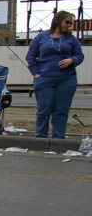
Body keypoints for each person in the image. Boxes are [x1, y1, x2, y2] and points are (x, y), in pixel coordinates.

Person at [26, 11, 84, 139]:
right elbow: (30, 56)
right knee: (44, 110)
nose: (68, 25)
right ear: (58, 20)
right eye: (67, 22)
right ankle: (40, 138)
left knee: (61, 111)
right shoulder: (41, 37)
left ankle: (58, 139)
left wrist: (72, 60)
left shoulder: (71, 39)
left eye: (71, 23)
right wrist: (35, 73)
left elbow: (80, 55)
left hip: (67, 79)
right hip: (44, 78)